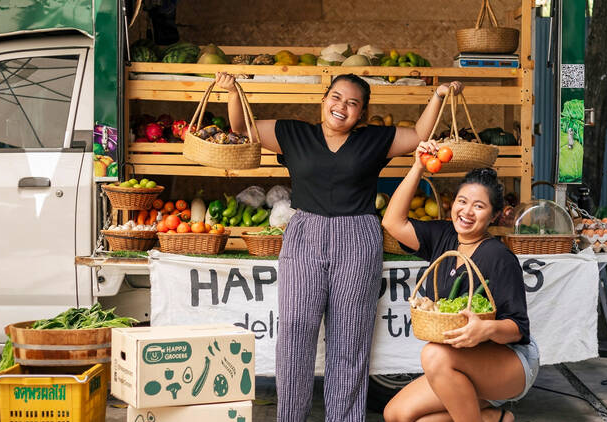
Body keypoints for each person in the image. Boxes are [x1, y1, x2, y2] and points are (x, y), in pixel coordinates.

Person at [215, 71, 463, 421]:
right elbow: (242, 129)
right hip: (305, 233)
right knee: (295, 333)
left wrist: (438, 95)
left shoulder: (374, 140)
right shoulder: (293, 133)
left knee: (350, 339)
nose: (341, 106)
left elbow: (420, 135)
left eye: (352, 103)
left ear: (361, 113)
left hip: (358, 236)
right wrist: (231, 93)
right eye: (336, 97)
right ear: (324, 100)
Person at [381, 152, 539, 422]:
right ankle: (494, 419)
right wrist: (418, 166)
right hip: (461, 363)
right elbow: (392, 222)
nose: (466, 212)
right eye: (462, 201)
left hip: (509, 362)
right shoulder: (443, 236)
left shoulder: (498, 257)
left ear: (494, 215)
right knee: (396, 415)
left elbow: (518, 329)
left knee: (433, 354)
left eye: (479, 206)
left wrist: (485, 328)